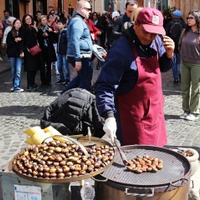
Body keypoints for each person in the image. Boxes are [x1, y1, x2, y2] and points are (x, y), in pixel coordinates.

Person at [94, 8, 175, 146]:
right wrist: (108, 116)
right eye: (146, 32)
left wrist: (169, 55)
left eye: (154, 33)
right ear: (136, 24)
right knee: (137, 160)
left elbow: (162, 67)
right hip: (133, 118)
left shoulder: (157, 41)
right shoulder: (120, 51)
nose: (149, 37)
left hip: (155, 110)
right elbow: (104, 86)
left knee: (157, 154)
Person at [62, 0, 93, 93]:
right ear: (82, 9)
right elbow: (74, 39)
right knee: (85, 80)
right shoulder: (77, 21)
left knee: (83, 77)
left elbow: (70, 38)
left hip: (81, 54)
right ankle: (82, 101)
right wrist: (78, 59)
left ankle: (63, 95)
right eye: (88, 9)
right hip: (81, 56)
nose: (90, 11)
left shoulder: (77, 20)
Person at [178, 10, 200, 121]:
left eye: (191, 18)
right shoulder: (185, 32)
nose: (188, 20)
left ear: (197, 19)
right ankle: (186, 110)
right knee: (184, 88)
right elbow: (180, 45)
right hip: (185, 62)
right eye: (187, 18)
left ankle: (194, 112)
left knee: (196, 89)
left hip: (197, 64)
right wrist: (182, 55)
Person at [166, 10, 186, 84]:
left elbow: (166, 34)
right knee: (179, 61)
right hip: (181, 45)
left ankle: (176, 78)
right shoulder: (183, 23)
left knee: (174, 62)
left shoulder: (170, 23)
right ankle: (179, 73)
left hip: (172, 45)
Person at [22, 14, 41, 91]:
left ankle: (33, 83)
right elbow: (23, 41)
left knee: (35, 68)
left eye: (29, 18)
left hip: (35, 50)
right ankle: (29, 84)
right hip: (28, 51)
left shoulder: (33, 28)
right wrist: (25, 49)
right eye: (27, 19)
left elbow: (38, 36)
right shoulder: (23, 29)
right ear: (24, 21)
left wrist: (36, 28)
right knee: (30, 68)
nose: (28, 20)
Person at [37, 15, 57, 86]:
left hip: (49, 49)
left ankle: (48, 80)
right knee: (42, 65)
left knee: (49, 64)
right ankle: (43, 80)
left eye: (45, 20)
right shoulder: (39, 29)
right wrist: (42, 36)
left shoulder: (49, 28)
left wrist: (51, 32)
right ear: (40, 21)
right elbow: (38, 39)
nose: (44, 21)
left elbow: (54, 39)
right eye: (43, 20)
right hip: (42, 49)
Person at [6, 19, 24, 92]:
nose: (18, 24)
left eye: (19, 23)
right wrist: (14, 41)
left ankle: (16, 86)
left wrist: (22, 52)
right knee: (13, 70)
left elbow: (22, 44)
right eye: (17, 23)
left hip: (19, 54)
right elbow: (8, 44)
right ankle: (14, 85)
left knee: (18, 70)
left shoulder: (21, 33)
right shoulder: (10, 33)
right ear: (14, 24)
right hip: (12, 54)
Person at [56, 18, 70, 85]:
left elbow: (68, 43)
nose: (58, 25)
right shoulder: (59, 33)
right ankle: (62, 78)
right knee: (59, 66)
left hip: (64, 52)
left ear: (64, 25)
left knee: (65, 66)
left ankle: (67, 79)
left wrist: (68, 52)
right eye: (57, 24)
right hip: (59, 52)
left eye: (59, 24)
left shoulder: (66, 33)